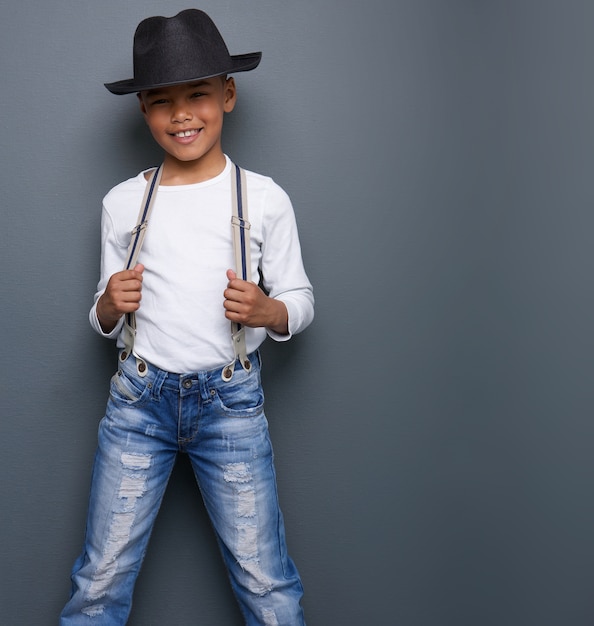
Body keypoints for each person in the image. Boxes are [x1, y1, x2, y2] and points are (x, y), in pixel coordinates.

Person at [59, 9, 313, 625]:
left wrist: (268, 309)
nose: (181, 115)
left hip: (230, 405)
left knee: (265, 582)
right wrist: (107, 305)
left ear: (227, 95)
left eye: (197, 94)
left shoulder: (263, 197)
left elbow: (301, 300)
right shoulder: (124, 202)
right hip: (138, 402)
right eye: (161, 101)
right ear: (144, 109)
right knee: (101, 578)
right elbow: (103, 317)